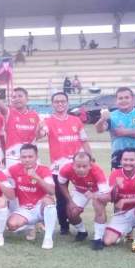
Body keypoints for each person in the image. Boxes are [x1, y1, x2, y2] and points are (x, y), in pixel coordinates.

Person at [40, 92, 93, 235]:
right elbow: (41, 134)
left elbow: (84, 141)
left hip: (78, 166)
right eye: (56, 101)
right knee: (61, 198)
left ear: (67, 103)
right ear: (52, 104)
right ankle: (64, 227)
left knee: (83, 192)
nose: (60, 104)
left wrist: (91, 158)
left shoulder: (76, 120)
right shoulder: (48, 121)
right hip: (58, 167)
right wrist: (40, 128)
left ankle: (76, 218)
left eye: (63, 101)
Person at [5, 144, 58, 249]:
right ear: (20, 158)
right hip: (24, 209)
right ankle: (31, 226)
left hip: (40, 207)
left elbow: (52, 191)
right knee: (11, 225)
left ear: (36, 157)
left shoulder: (44, 170)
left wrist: (37, 177)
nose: (27, 160)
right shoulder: (15, 169)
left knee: (49, 201)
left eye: (30, 157)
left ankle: (48, 238)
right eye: (24, 157)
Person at [100, 149, 135, 253]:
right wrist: (115, 187)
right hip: (123, 213)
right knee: (107, 241)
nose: (128, 162)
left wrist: (125, 201)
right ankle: (128, 230)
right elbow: (111, 198)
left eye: (132, 160)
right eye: (125, 159)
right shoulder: (115, 174)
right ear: (120, 161)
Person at [57, 152, 110, 249]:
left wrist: (94, 195)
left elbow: (107, 196)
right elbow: (61, 183)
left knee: (99, 206)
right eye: (78, 166)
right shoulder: (65, 169)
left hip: (97, 191)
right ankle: (82, 231)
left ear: (90, 165)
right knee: (71, 212)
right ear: (73, 165)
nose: (81, 169)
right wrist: (70, 201)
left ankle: (98, 238)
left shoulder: (97, 171)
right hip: (80, 191)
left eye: (84, 166)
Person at [95, 86, 135, 169]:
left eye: (127, 97)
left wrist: (124, 132)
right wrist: (102, 119)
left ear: (133, 99)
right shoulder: (112, 116)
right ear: (116, 101)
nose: (123, 100)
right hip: (118, 157)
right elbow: (99, 130)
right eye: (120, 98)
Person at [0, 88, 40, 169]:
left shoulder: (35, 116)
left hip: (30, 156)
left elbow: (38, 135)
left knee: (32, 177)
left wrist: (42, 132)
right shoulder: (8, 113)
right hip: (13, 157)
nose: (17, 99)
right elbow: (2, 108)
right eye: (14, 97)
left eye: (20, 96)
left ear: (27, 99)